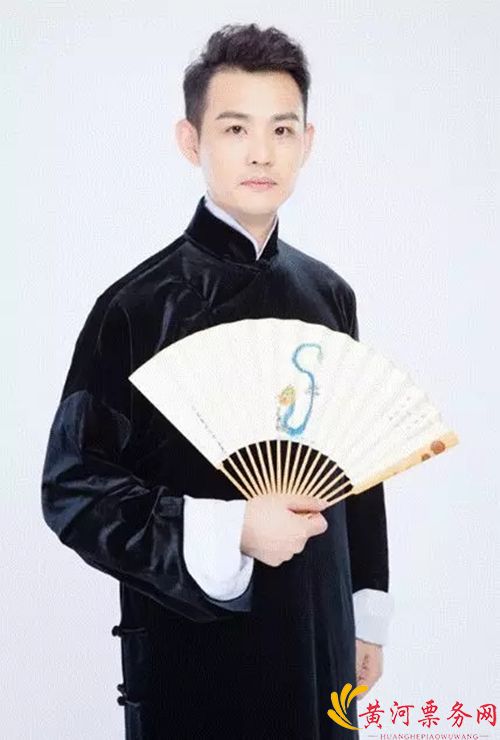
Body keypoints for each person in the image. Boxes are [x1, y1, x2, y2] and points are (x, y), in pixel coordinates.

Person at [41, 22, 395, 740]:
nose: (262, 152)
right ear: (191, 140)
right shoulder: (136, 307)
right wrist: (229, 530)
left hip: (322, 635)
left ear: (307, 142)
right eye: (235, 128)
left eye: (281, 129)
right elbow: (74, 490)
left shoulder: (330, 294)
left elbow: (357, 466)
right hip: (196, 656)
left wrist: (364, 610)